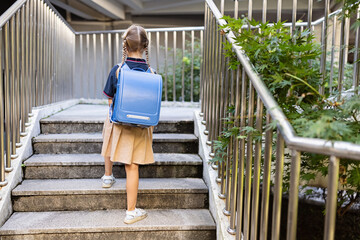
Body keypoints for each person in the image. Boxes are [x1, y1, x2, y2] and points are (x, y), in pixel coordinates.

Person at [100, 24, 155, 224]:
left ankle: (107, 176)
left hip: (119, 125)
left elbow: (109, 99)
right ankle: (131, 211)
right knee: (132, 167)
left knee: (109, 128)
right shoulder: (151, 72)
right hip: (140, 127)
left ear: (125, 45)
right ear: (145, 46)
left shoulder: (118, 69)